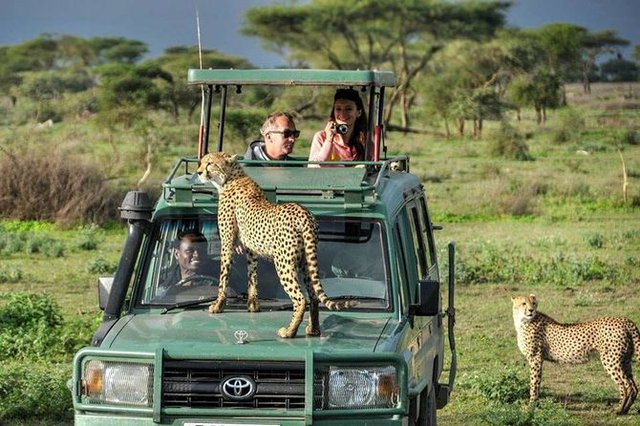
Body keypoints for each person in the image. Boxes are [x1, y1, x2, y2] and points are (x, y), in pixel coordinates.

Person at [308, 88, 367, 166]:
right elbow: (315, 167)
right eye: (338, 109)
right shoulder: (321, 137)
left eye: (348, 109)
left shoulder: (364, 140)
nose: (342, 114)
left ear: (359, 112)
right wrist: (329, 140)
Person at [157, 230, 216, 296]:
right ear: (177, 254)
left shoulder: (222, 277)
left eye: (201, 250)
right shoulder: (165, 284)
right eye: (189, 251)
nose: (197, 254)